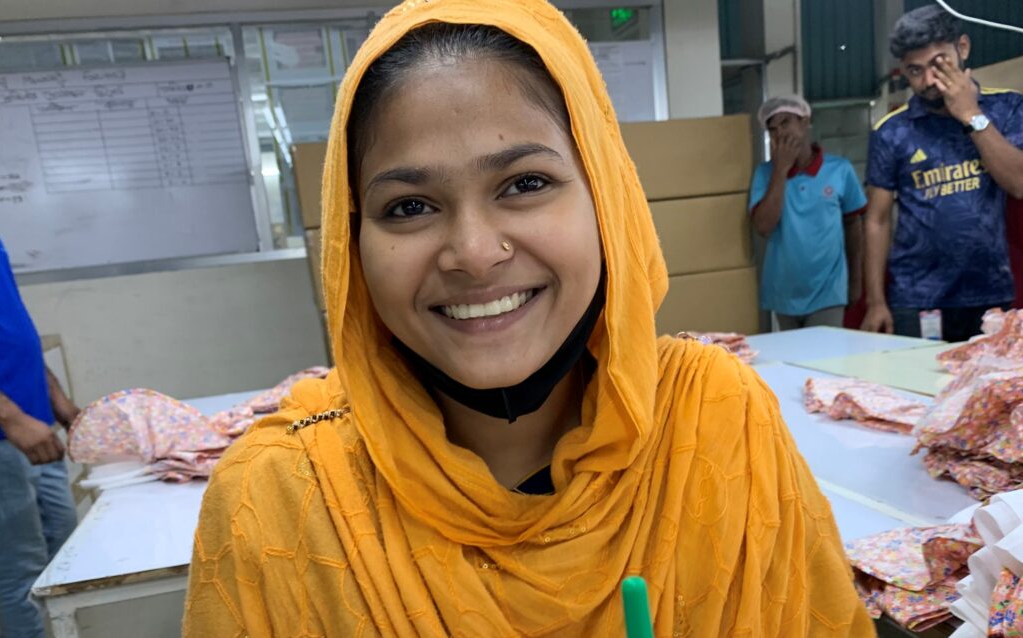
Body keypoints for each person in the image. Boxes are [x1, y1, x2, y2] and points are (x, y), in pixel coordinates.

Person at [183, 1, 873, 635]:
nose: (474, 253)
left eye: (525, 184)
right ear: (352, 242)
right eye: (409, 206)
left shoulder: (718, 423)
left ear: (607, 202)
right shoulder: (281, 502)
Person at [862, 5, 1023, 342]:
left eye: (938, 65)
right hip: (917, 297)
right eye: (915, 71)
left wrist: (971, 114)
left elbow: (1018, 183)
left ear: (962, 48)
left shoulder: (1007, 108)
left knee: (990, 377)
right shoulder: (891, 131)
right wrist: (875, 301)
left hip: (991, 292)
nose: (928, 82)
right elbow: (877, 220)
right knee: (918, 377)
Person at [0, 236, 80, 638]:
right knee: (19, 571)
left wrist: (55, 396)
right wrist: (9, 415)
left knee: (63, 545)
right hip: (7, 434)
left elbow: (15, 330)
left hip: (36, 422)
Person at [749, 95, 867, 331]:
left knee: (825, 351)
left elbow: (853, 225)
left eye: (786, 123)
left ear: (805, 122)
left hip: (829, 290)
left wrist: (856, 281)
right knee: (792, 354)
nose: (780, 133)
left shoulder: (840, 169)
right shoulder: (764, 174)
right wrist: (781, 170)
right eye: (773, 129)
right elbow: (763, 226)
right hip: (783, 293)